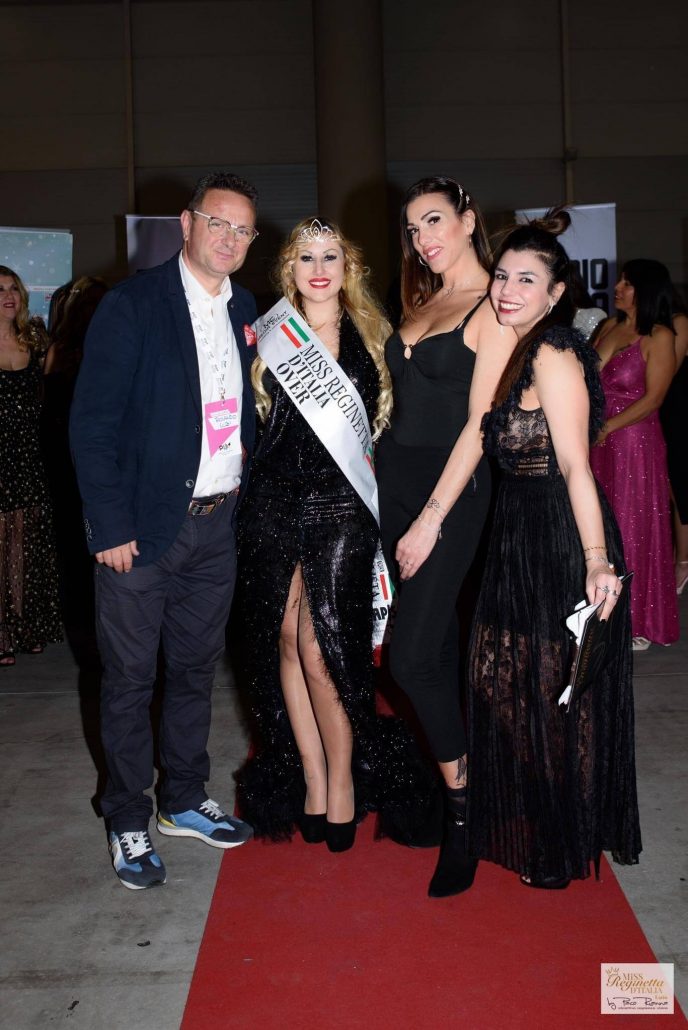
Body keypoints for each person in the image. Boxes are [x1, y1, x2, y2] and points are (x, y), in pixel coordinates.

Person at [70, 172, 260, 890]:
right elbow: (92, 425)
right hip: (142, 531)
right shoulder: (133, 304)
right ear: (186, 223)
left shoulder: (248, 307)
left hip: (217, 524)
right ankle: (126, 816)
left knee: (193, 671)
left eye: (243, 230)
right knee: (128, 679)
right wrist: (108, 525)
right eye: (218, 223)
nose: (229, 239)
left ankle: (182, 798)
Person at [235, 218, 436, 851]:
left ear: (348, 267)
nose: (318, 269)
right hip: (272, 504)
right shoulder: (267, 334)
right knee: (286, 642)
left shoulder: (375, 335)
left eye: (330, 256)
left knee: (323, 647)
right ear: (288, 268)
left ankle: (344, 779)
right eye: (306, 257)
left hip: (341, 507)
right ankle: (314, 778)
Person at [467, 210, 641, 889]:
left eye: (526, 280)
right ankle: (551, 810)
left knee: (552, 690)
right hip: (516, 534)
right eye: (502, 275)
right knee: (500, 678)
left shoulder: (553, 352)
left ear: (555, 292)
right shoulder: (516, 348)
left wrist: (596, 558)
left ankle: (561, 834)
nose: (508, 289)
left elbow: (575, 465)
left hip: (558, 537)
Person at [375, 177, 517, 897]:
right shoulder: (424, 300)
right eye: (413, 228)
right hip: (390, 488)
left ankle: (465, 811)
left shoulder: (495, 303)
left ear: (468, 219)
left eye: (434, 220)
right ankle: (456, 782)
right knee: (434, 650)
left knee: (408, 658)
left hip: (449, 497)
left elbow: (479, 425)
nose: (423, 237)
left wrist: (430, 518)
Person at [590, 259, 679, 650]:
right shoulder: (609, 326)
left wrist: (609, 426)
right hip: (598, 438)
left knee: (632, 525)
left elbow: (654, 398)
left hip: (634, 442)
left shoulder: (659, 335)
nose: (618, 288)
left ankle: (636, 619)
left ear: (646, 290)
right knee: (600, 524)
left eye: (627, 283)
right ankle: (600, 611)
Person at [0, 266, 62, 667]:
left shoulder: (36, 341)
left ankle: (25, 626)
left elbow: (53, 398)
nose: (8, 295)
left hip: (28, 457)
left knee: (25, 544)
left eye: (12, 289)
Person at [42, 277, 108, 641]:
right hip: (64, 455)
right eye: (89, 303)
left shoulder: (115, 343)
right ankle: (79, 613)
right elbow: (48, 409)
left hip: (96, 454)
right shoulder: (63, 349)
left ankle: (90, 612)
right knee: (71, 535)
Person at [659, 288, 688, 594]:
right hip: (664, 409)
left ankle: (683, 562)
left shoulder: (679, 321)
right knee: (671, 485)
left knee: (679, 487)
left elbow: (669, 371)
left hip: (676, 409)